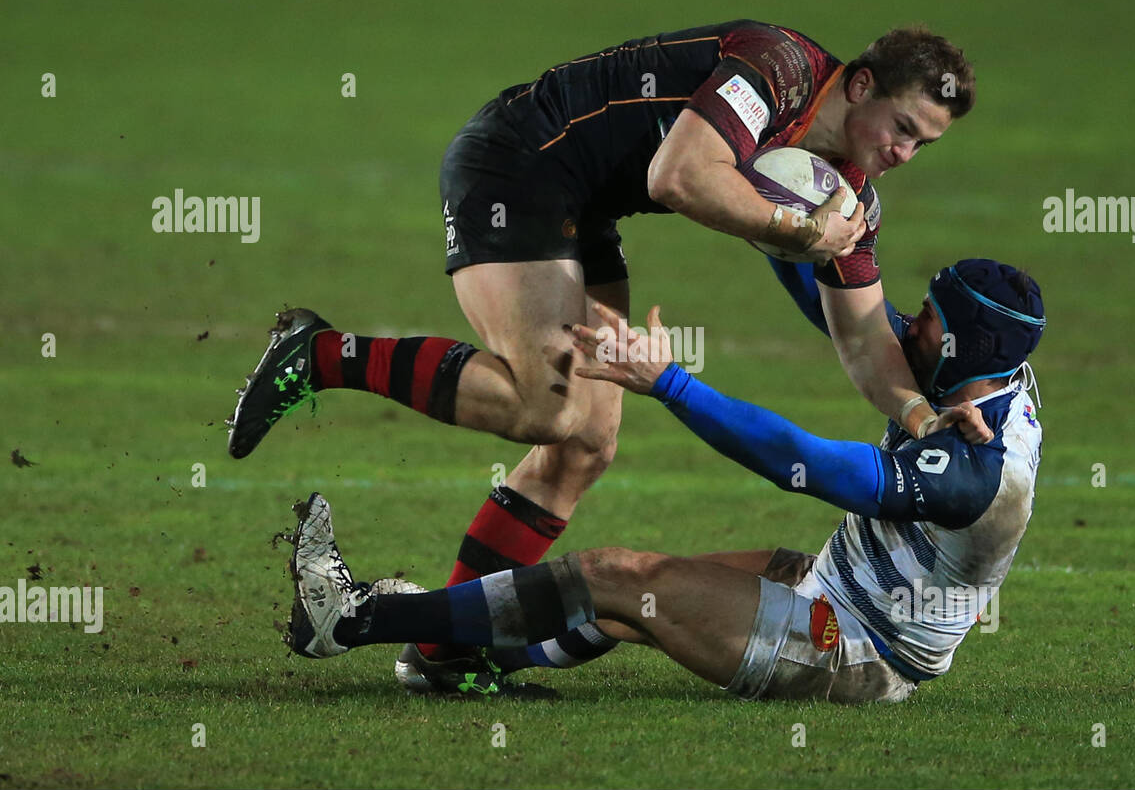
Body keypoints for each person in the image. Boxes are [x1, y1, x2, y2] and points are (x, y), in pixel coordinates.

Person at [230, 19, 981, 677]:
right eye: (904, 127)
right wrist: (801, 234)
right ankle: (320, 353)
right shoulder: (778, 69)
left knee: (584, 443)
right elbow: (678, 174)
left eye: (927, 143)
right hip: (522, 161)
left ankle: (444, 654)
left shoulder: (845, 196)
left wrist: (923, 418)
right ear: (861, 85)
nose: (907, 152)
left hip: (586, 207)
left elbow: (863, 341)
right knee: (545, 404)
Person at [282, 259, 1045, 704]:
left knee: (617, 577)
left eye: (932, 322)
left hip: (857, 648)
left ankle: (350, 620)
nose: (913, 328)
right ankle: (456, 660)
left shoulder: (978, 470)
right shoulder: (980, 377)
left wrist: (670, 383)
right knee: (633, 605)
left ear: (972, 344)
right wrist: (778, 215)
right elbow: (852, 322)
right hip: (830, 584)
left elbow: (802, 463)